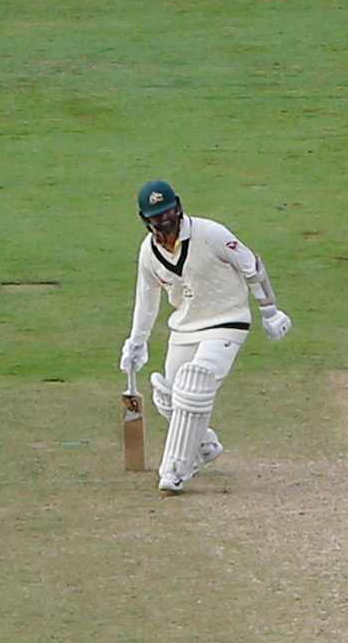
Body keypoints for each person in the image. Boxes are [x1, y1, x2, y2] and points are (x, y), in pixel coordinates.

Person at [118, 180, 292, 495]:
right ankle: (205, 445)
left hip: (227, 321)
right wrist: (136, 342)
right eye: (157, 215)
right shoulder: (148, 253)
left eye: (169, 211)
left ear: (179, 206)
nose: (165, 220)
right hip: (185, 328)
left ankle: (176, 471)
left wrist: (270, 311)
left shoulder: (210, 233)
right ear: (146, 219)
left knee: (192, 385)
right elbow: (147, 301)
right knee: (168, 395)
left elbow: (252, 265)